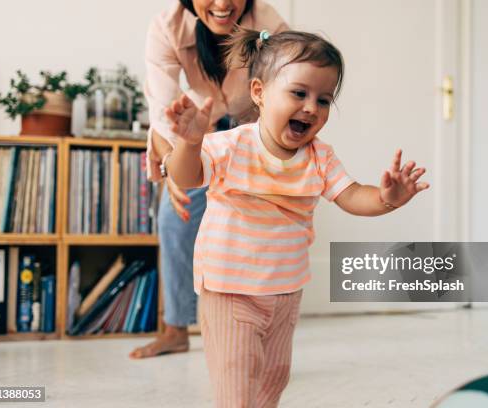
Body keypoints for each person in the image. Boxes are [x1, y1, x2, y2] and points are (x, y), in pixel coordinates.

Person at [163, 28, 430, 406]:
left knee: (273, 378)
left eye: (324, 100)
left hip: (285, 291)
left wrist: (387, 199)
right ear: (259, 92)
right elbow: (185, 176)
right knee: (236, 381)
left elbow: (352, 195)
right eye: (299, 93)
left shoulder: (320, 156)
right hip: (230, 289)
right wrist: (189, 144)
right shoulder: (230, 145)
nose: (311, 107)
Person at [130, 0, 288, 359]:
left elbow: (287, 95)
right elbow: (162, 107)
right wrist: (175, 164)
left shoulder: (270, 25)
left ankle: (259, 330)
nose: (221, 4)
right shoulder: (167, 27)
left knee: (258, 228)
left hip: (256, 129)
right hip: (198, 127)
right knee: (174, 219)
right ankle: (176, 328)